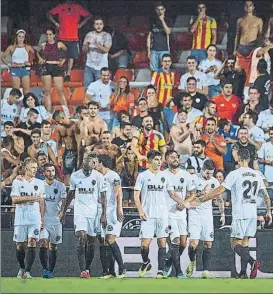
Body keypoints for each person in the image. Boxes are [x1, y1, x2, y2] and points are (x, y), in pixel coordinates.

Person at [200, 148, 272, 279]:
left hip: (240, 212)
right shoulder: (257, 174)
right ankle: (243, 273)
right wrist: (268, 211)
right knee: (245, 243)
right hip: (252, 213)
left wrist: (203, 199)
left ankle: (252, 262)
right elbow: (266, 196)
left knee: (234, 243)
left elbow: (219, 190)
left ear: (238, 158)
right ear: (249, 159)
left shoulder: (235, 173)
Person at [134, 150, 183, 278]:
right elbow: (136, 195)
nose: (159, 162)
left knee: (162, 242)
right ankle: (146, 262)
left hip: (162, 214)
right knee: (145, 244)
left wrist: (183, 203)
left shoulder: (165, 176)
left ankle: (160, 271)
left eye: (160, 159)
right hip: (147, 214)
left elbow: (172, 193)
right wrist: (140, 210)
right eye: (156, 159)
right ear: (149, 161)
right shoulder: (143, 176)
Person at [59, 153, 107, 278]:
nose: (87, 172)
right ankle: (83, 270)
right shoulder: (75, 176)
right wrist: (63, 211)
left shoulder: (99, 177)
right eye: (85, 170)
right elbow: (71, 194)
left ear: (93, 166)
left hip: (94, 213)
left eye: (89, 170)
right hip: (80, 211)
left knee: (91, 242)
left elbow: (103, 197)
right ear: (82, 167)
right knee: (81, 237)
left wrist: (104, 214)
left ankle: (87, 267)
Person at [185, 159, 224, 279]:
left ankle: (205, 270)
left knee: (208, 243)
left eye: (211, 173)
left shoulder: (214, 182)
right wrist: (202, 193)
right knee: (193, 243)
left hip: (207, 215)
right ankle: (192, 262)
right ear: (202, 170)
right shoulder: (194, 179)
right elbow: (188, 197)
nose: (209, 175)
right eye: (207, 173)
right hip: (194, 213)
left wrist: (222, 214)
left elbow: (219, 198)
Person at [162, 150, 196, 278]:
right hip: (168, 213)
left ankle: (168, 262)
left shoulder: (186, 175)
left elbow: (193, 193)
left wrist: (184, 203)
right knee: (175, 242)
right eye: (172, 157)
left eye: (176, 157)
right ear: (166, 160)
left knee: (183, 244)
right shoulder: (162, 175)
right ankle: (179, 272)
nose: (175, 159)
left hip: (181, 213)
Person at [11, 158, 46, 279]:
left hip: (34, 218)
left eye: (36, 168)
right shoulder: (17, 182)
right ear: (26, 168)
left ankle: (27, 271)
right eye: (32, 167)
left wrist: (42, 219)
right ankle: (21, 267)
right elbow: (15, 200)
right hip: (20, 218)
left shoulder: (40, 183)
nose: (35, 170)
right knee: (20, 245)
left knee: (32, 243)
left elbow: (41, 202)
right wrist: (31, 198)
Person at [96, 154, 126, 278]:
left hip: (112, 211)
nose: (94, 165)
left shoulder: (113, 175)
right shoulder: (96, 176)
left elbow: (119, 192)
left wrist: (119, 209)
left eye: (96, 162)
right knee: (102, 241)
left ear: (101, 163)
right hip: (99, 211)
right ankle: (108, 272)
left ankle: (122, 269)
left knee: (110, 239)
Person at [47, 0, 92, 82]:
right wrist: (56, 23)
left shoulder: (77, 7)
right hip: (61, 37)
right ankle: (61, 73)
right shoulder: (61, 7)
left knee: (71, 56)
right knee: (60, 56)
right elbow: (48, 14)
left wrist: (81, 24)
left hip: (73, 37)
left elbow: (89, 16)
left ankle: (68, 74)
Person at [39, 163, 66, 278]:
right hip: (43, 219)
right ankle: (45, 269)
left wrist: (62, 213)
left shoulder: (60, 186)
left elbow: (64, 200)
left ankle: (50, 270)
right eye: (48, 171)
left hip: (56, 220)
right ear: (44, 173)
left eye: (53, 171)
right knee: (43, 243)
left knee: (53, 246)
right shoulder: (39, 185)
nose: (51, 173)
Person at [37, 28, 70, 116]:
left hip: (56, 66)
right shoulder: (43, 44)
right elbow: (38, 53)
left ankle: (66, 113)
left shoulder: (59, 44)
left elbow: (67, 53)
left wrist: (63, 60)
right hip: (47, 66)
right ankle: (48, 113)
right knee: (47, 91)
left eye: (50, 34)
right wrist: (40, 58)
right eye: (47, 34)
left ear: (54, 35)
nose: (49, 36)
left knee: (60, 91)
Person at [233, 1, 263, 87]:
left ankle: (249, 92)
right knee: (239, 71)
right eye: (246, 5)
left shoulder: (258, 20)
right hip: (241, 47)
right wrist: (235, 49)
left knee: (252, 72)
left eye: (250, 5)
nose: (248, 7)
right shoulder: (240, 20)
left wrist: (258, 48)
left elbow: (260, 36)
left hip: (252, 47)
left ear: (253, 7)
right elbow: (237, 35)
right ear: (244, 7)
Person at [1, 29, 35, 94]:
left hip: (25, 69)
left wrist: (30, 62)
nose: (21, 38)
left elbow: (35, 57)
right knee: (16, 92)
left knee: (27, 93)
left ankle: (26, 103)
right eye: (19, 36)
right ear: (16, 37)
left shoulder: (28, 47)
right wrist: (9, 64)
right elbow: (3, 57)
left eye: (23, 37)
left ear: (24, 38)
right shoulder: (11, 47)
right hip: (15, 69)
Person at [82, 16, 112, 88]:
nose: (99, 26)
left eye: (100, 24)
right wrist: (88, 44)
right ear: (94, 25)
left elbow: (106, 50)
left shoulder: (107, 35)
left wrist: (95, 43)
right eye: (97, 24)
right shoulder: (89, 34)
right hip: (89, 66)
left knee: (100, 89)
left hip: (101, 67)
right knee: (87, 88)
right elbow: (84, 50)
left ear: (103, 25)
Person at [52, 110, 78, 185]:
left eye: (58, 121)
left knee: (78, 173)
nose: (57, 123)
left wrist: (80, 157)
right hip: (67, 152)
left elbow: (79, 143)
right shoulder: (60, 128)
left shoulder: (74, 125)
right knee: (66, 174)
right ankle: (67, 193)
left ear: (63, 118)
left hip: (76, 151)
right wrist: (59, 156)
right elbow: (59, 142)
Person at [150, 54, 175, 131]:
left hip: (169, 106)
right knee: (161, 127)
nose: (167, 63)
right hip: (159, 105)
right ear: (161, 63)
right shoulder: (157, 73)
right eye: (165, 61)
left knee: (170, 126)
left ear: (171, 62)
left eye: (168, 61)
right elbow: (152, 88)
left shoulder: (172, 74)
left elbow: (172, 89)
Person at [147, 2, 173, 72]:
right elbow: (149, 36)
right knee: (154, 70)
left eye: (161, 9)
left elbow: (168, 32)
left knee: (165, 69)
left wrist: (162, 20)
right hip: (154, 50)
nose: (160, 11)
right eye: (158, 9)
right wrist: (149, 50)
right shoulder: (152, 20)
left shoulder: (168, 20)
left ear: (164, 10)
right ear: (156, 10)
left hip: (164, 49)